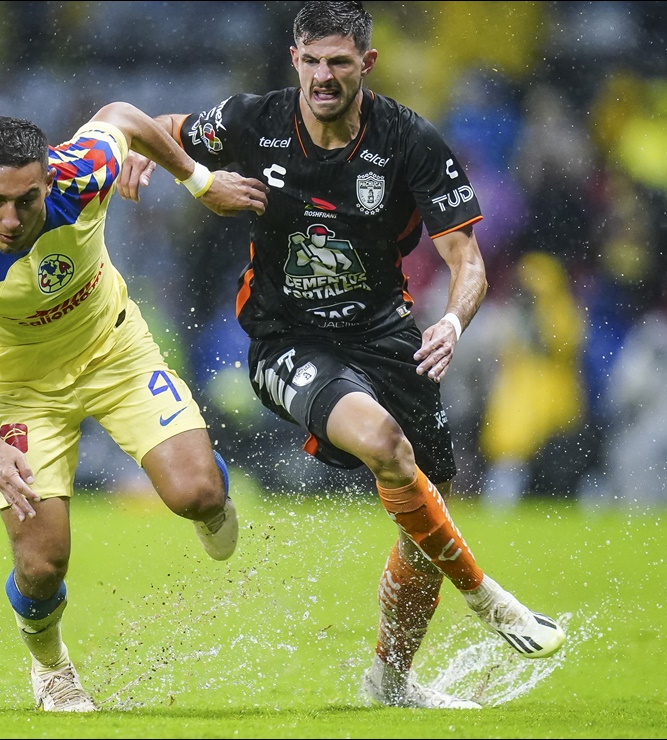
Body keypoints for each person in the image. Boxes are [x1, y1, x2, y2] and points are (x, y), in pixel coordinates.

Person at [118, 1, 564, 710]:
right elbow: (151, 126)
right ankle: (489, 599)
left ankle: (389, 681)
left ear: (366, 64)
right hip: (284, 341)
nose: (323, 76)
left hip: (389, 339)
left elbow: (465, 258)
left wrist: (451, 319)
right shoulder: (253, 121)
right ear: (293, 60)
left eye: (339, 62)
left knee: (423, 522)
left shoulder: (408, 141)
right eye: (312, 61)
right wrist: (143, 157)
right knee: (385, 446)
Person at [0, 104, 267, 712]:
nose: (10, 216)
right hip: (25, 393)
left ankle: (211, 495)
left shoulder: (84, 171)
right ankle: (51, 669)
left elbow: (121, 116)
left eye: (26, 200)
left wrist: (197, 180)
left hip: (115, 353)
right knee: (42, 565)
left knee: (198, 495)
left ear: (49, 179)